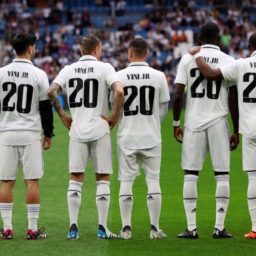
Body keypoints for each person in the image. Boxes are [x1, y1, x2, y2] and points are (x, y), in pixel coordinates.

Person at [48, 34, 124, 240]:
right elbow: (119, 92)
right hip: (100, 129)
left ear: (81, 50)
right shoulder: (106, 68)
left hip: (77, 130)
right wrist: (114, 118)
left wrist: (63, 115)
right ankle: (102, 228)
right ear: (97, 49)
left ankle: (73, 228)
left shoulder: (68, 69)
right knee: (102, 178)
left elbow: (51, 91)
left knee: (76, 178)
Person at [173, 22, 239, 239]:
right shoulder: (229, 60)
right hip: (219, 121)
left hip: (194, 121)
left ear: (199, 39)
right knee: (222, 175)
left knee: (190, 175)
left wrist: (175, 123)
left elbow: (178, 93)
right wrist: (236, 129)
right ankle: (219, 228)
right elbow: (232, 97)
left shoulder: (187, 59)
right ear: (219, 39)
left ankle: (191, 228)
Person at [189, 32, 256, 239]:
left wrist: (197, 55)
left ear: (249, 46)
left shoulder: (241, 64)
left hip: (251, 128)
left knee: (254, 176)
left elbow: (210, 74)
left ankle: (255, 228)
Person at [0, 33, 54, 240]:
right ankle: (32, 229)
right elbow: (44, 107)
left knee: (6, 182)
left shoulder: (2, 73)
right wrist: (48, 134)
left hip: (6, 133)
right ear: (30, 48)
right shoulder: (39, 74)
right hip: (30, 133)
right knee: (31, 182)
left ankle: (7, 229)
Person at [116, 37, 170, 239]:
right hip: (151, 135)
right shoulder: (159, 76)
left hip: (127, 135)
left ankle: (126, 229)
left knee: (126, 180)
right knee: (153, 180)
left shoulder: (119, 76)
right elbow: (164, 107)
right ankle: (155, 229)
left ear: (130, 53)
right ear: (146, 53)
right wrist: (154, 122)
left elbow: (114, 106)